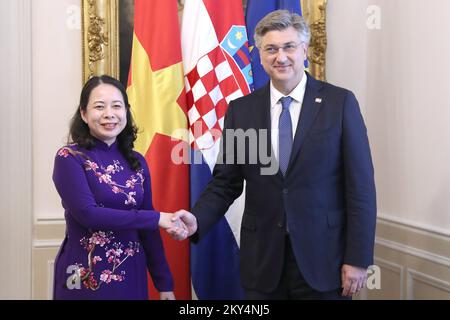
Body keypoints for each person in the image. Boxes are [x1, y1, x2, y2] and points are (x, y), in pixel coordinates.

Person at [170, 10, 377, 299]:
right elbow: (225, 183)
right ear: (260, 55)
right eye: (271, 49)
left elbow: (361, 189)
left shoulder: (339, 103)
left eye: (289, 47)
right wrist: (197, 218)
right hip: (263, 264)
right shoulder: (242, 111)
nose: (281, 57)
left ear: (304, 49)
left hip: (325, 262)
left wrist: (357, 258)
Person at [52, 75, 177, 300]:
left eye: (117, 106)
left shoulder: (137, 161)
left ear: (126, 112)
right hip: (83, 273)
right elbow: (88, 214)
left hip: (131, 272)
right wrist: (155, 218)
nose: (109, 114)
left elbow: (148, 229)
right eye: (99, 107)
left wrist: (164, 283)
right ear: (84, 113)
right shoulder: (69, 157)